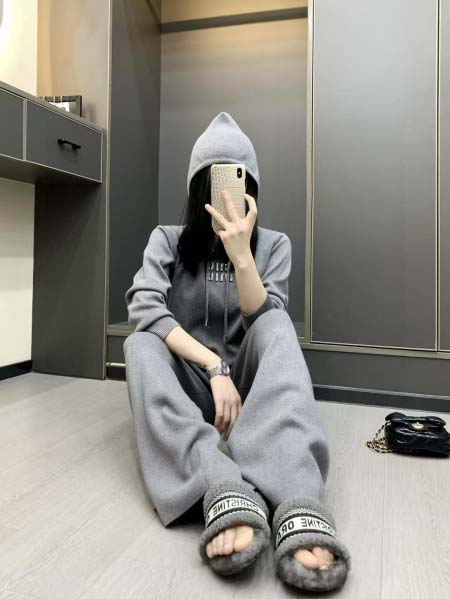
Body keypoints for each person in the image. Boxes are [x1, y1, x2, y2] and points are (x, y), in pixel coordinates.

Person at [123, 112, 351, 592]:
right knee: (140, 345)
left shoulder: (274, 246)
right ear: (197, 190)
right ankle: (218, 484)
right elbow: (144, 307)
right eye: (214, 182)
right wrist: (213, 367)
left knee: (277, 324)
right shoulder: (167, 240)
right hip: (193, 385)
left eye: (236, 181)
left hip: (250, 393)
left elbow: (263, 319)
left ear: (251, 189)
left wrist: (242, 254)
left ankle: (295, 494)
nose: (225, 193)